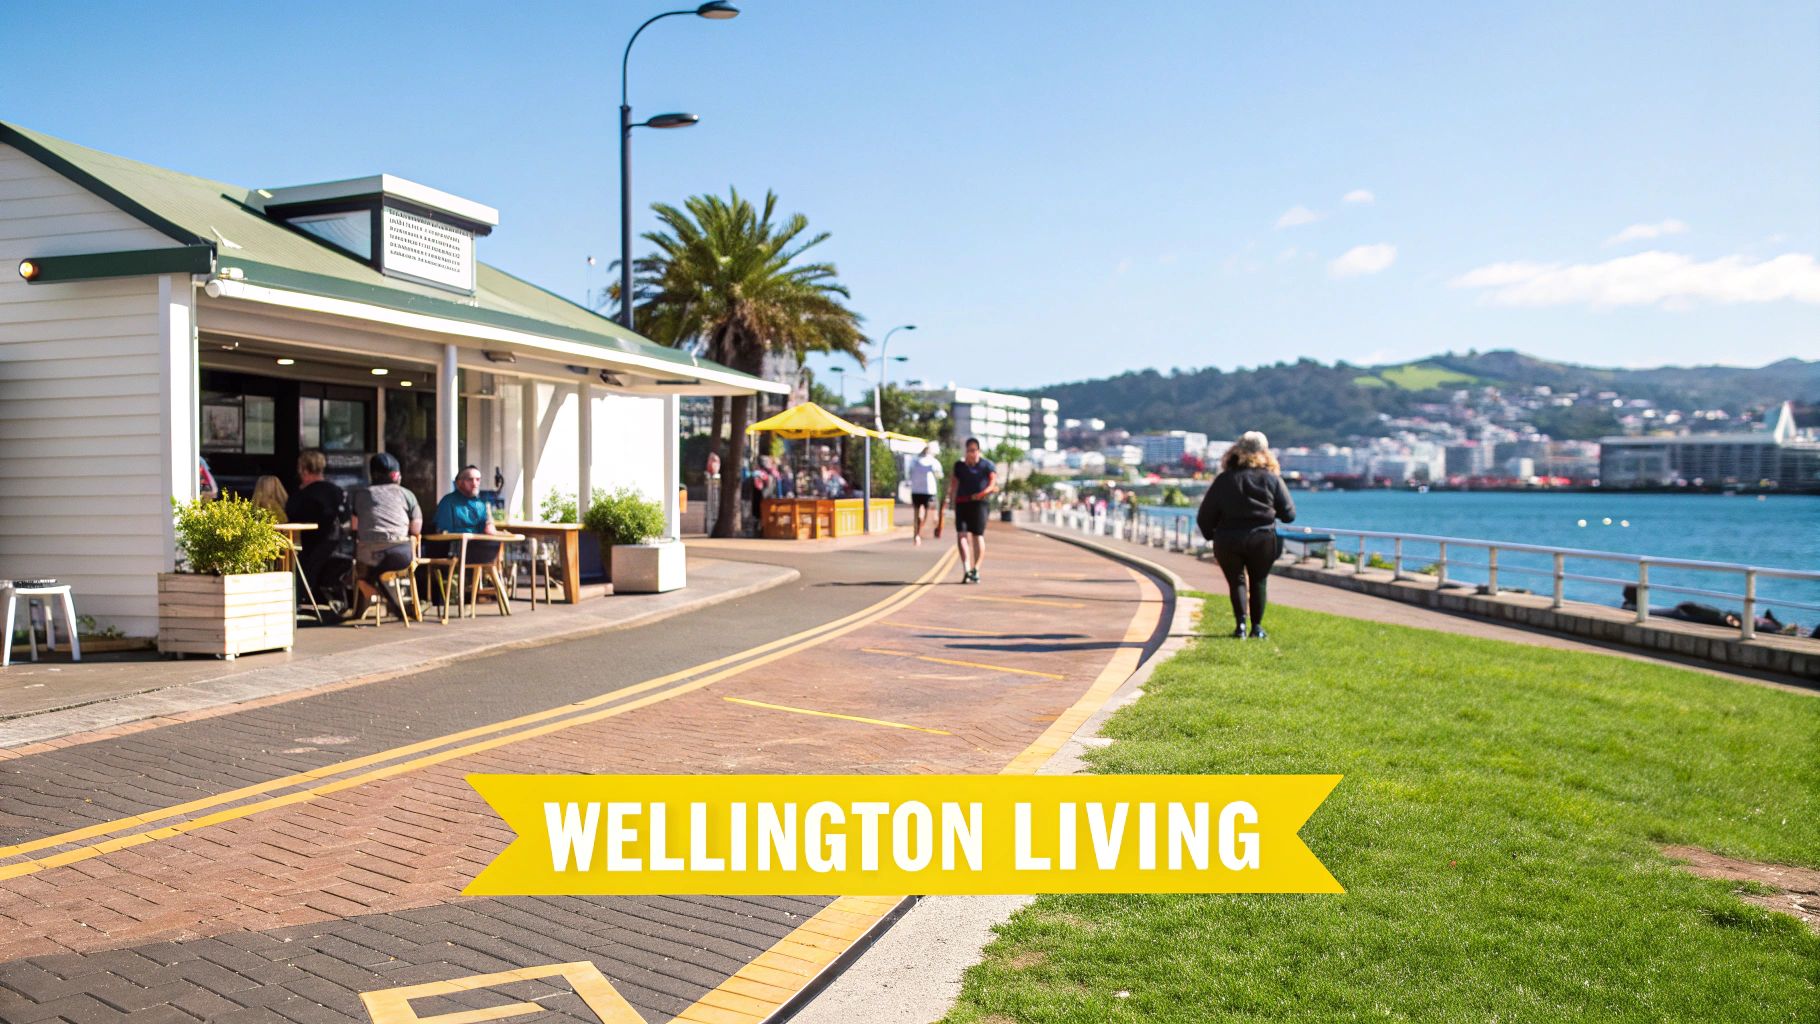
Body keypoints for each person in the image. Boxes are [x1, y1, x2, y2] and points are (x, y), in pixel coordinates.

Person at [1196, 431, 1296, 640]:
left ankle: (1240, 625)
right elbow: (1289, 515)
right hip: (1262, 538)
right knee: (1259, 581)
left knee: (1237, 581)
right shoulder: (1271, 479)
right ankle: (1257, 628)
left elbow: (1205, 515)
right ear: (1265, 453)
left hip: (1228, 538)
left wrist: (1210, 535)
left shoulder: (1224, 480)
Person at [350, 452, 421, 621]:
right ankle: (380, 589)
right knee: (385, 565)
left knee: (362, 563)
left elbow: (354, 527)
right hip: (400, 554)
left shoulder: (361, 494)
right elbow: (416, 528)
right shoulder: (407, 495)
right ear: (396, 475)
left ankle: (367, 587)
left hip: (368, 556)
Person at [285, 450, 344, 607]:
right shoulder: (336, 491)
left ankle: (297, 600)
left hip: (312, 545)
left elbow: (291, 515)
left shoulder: (305, 495)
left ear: (304, 470)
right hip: (336, 543)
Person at [935, 437, 997, 584]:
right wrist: (948, 500)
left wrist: (982, 494)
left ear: (979, 451)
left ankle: (976, 569)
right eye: (969, 450)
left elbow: (993, 483)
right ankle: (966, 568)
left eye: (974, 450)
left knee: (977, 536)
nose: (972, 453)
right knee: (961, 535)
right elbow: (954, 484)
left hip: (980, 504)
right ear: (966, 451)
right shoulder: (959, 466)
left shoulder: (987, 465)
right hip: (962, 503)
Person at [908, 444, 944, 546]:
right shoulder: (933, 461)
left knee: (917, 513)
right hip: (928, 491)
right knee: (924, 513)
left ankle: (917, 534)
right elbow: (939, 475)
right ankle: (918, 532)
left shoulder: (914, 461)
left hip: (916, 490)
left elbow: (909, 473)